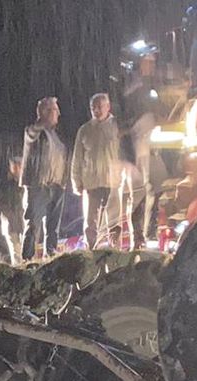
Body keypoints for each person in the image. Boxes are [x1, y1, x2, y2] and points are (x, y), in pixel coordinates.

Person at [71, 92, 123, 249]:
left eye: (100, 107)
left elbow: (125, 153)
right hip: (91, 182)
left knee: (114, 218)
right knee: (91, 220)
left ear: (108, 107)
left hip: (113, 181)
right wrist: (76, 182)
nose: (96, 110)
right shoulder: (84, 130)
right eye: (93, 107)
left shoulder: (117, 127)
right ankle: (91, 248)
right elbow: (77, 158)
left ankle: (115, 249)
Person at [21, 96, 69, 260]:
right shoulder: (35, 131)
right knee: (34, 224)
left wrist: (63, 182)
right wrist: (41, 122)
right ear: (44, 112)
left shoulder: (56, 136)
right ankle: (28, 259)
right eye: (55, 110)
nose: (59, 113)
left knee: (53, 225)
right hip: (39, 185)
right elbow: (31, 134)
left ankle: (51, 256)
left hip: (56, 186)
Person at [0, 157, 27, 264]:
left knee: (25, 251)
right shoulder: (4, 183)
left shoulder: (25, 183)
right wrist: (6, 215)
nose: (17, 168)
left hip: (24, 223)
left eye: (19, 165)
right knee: (16, 253)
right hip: (10, 224)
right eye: (14, 165)